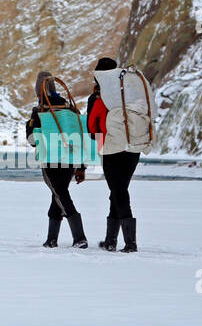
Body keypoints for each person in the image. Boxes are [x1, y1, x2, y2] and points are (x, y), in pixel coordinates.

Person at [86, 57, 155, 252]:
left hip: (111, 150)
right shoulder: (131, 95)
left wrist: (100, 142)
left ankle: (130, 243)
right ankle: (110, 241)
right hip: (133, 148)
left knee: (118, 192)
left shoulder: (99, 99)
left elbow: (92, 128)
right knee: (118, 190)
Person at [25, 71, 88, 249]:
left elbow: (32, 140)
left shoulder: (40, 111)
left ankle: (80, 237)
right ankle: (51, 239)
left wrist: (29, 126)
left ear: (39, 91)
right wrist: (81, 167)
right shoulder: (70, 109)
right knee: (58, 195)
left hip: (50, 160)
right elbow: (80, 137)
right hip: (70, 158)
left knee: (60, 194)